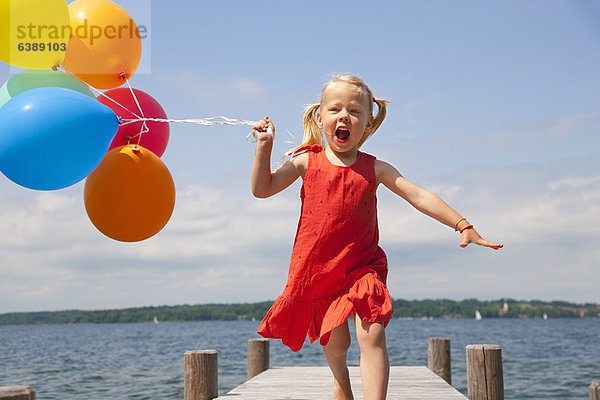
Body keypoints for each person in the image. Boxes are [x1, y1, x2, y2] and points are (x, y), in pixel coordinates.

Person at [250, 74, 502, 400]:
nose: (344, 116)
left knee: (373, 335)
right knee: (336, 342)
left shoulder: (376, 168)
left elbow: (419, 196)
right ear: (320, 117)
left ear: (368, 124)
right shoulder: (305, 160)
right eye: (336, 109)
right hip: (318, 270)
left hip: (362, 268)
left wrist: (462, 224)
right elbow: (262, 188)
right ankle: (341, 383)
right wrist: (263, 146)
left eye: (354, 112)